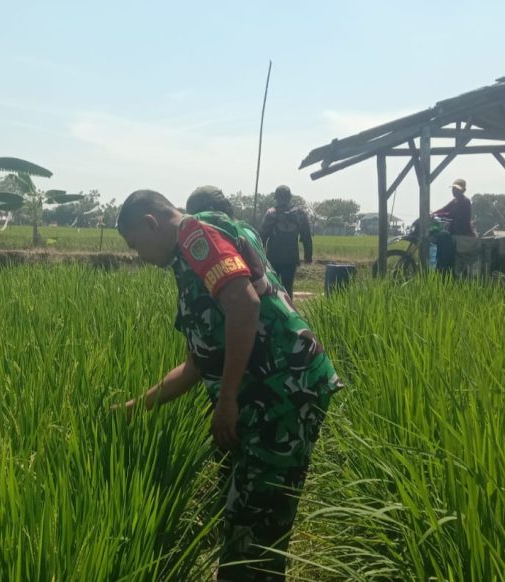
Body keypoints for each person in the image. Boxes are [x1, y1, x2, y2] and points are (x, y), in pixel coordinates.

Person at [114, 190, 341, 581]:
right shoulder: (197, 250)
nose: (140, 257)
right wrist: (134, 408)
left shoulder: (195, 239)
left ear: (151, 223)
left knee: (251, 528)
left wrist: (227, 399)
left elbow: (245, 304)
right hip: (276, 392)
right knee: (251, 515)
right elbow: (193, 366)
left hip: (282, 395)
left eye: (136, 246)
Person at [259, 185, 312, 296]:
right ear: (289, 197)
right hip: (291, 259)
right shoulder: (300, 214)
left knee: (271, 288)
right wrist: (308, 256)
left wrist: (258, 256)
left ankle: (273, 312)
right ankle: (288, 312)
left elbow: (262, 236)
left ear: (277, 198)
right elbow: (306, 236)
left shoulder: (271, 213)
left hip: (272, 258)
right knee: (288, 289)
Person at [430, 178, 475, 272]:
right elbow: (444, 209)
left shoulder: (464, 201)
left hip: (462, 233)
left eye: (457, 189)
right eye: (453, 189)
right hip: (455, 232)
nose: (454, 191)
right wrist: (433, 213)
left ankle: (446, 269)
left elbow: (452, 214)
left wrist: (437, 215)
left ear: (463, 190)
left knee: (444, 240)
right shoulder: (455, 201)